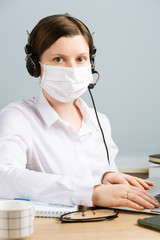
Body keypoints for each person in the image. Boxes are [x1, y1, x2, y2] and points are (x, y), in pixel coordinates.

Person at [0, 13, 159, 210]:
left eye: (81, 59)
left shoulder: (98, 121)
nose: (72, 69)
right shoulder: (16, 116)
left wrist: (106, 176)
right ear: (35, 65)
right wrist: (91, 193)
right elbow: (4, 177)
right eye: (59, 59)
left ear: (90, 64)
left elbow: (93, 181)